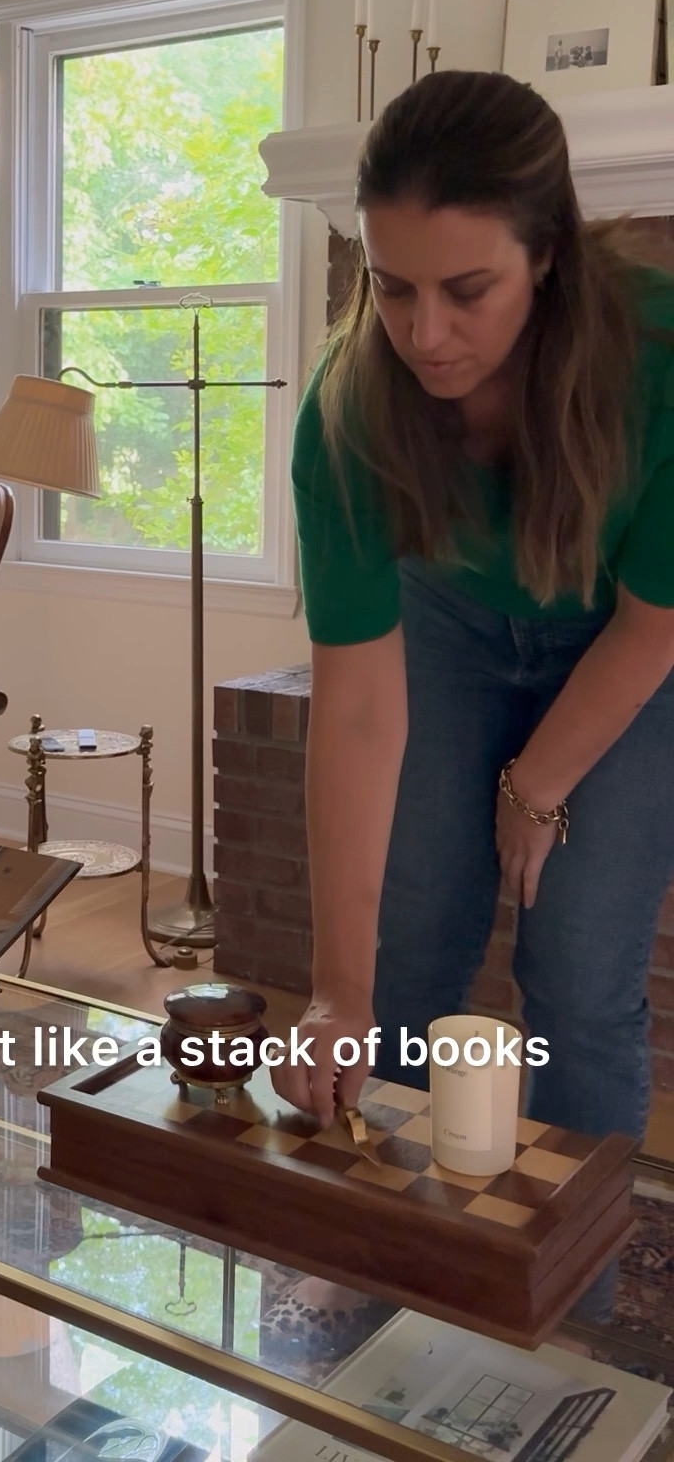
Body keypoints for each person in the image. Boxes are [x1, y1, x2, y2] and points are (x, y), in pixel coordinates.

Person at [274, 71, 674, 1187]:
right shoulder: (346, 411)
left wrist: (533, 786)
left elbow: (651, 630)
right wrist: (333, 992)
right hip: (448, 628)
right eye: (392, 287)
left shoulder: (661, 358)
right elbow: (357, 709)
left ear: (546, 254)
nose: (424, 333)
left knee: (580, 974)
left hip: (629, 641)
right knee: (400, 958)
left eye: (467, 290)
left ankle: (572, 1277)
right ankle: (395, 1253)